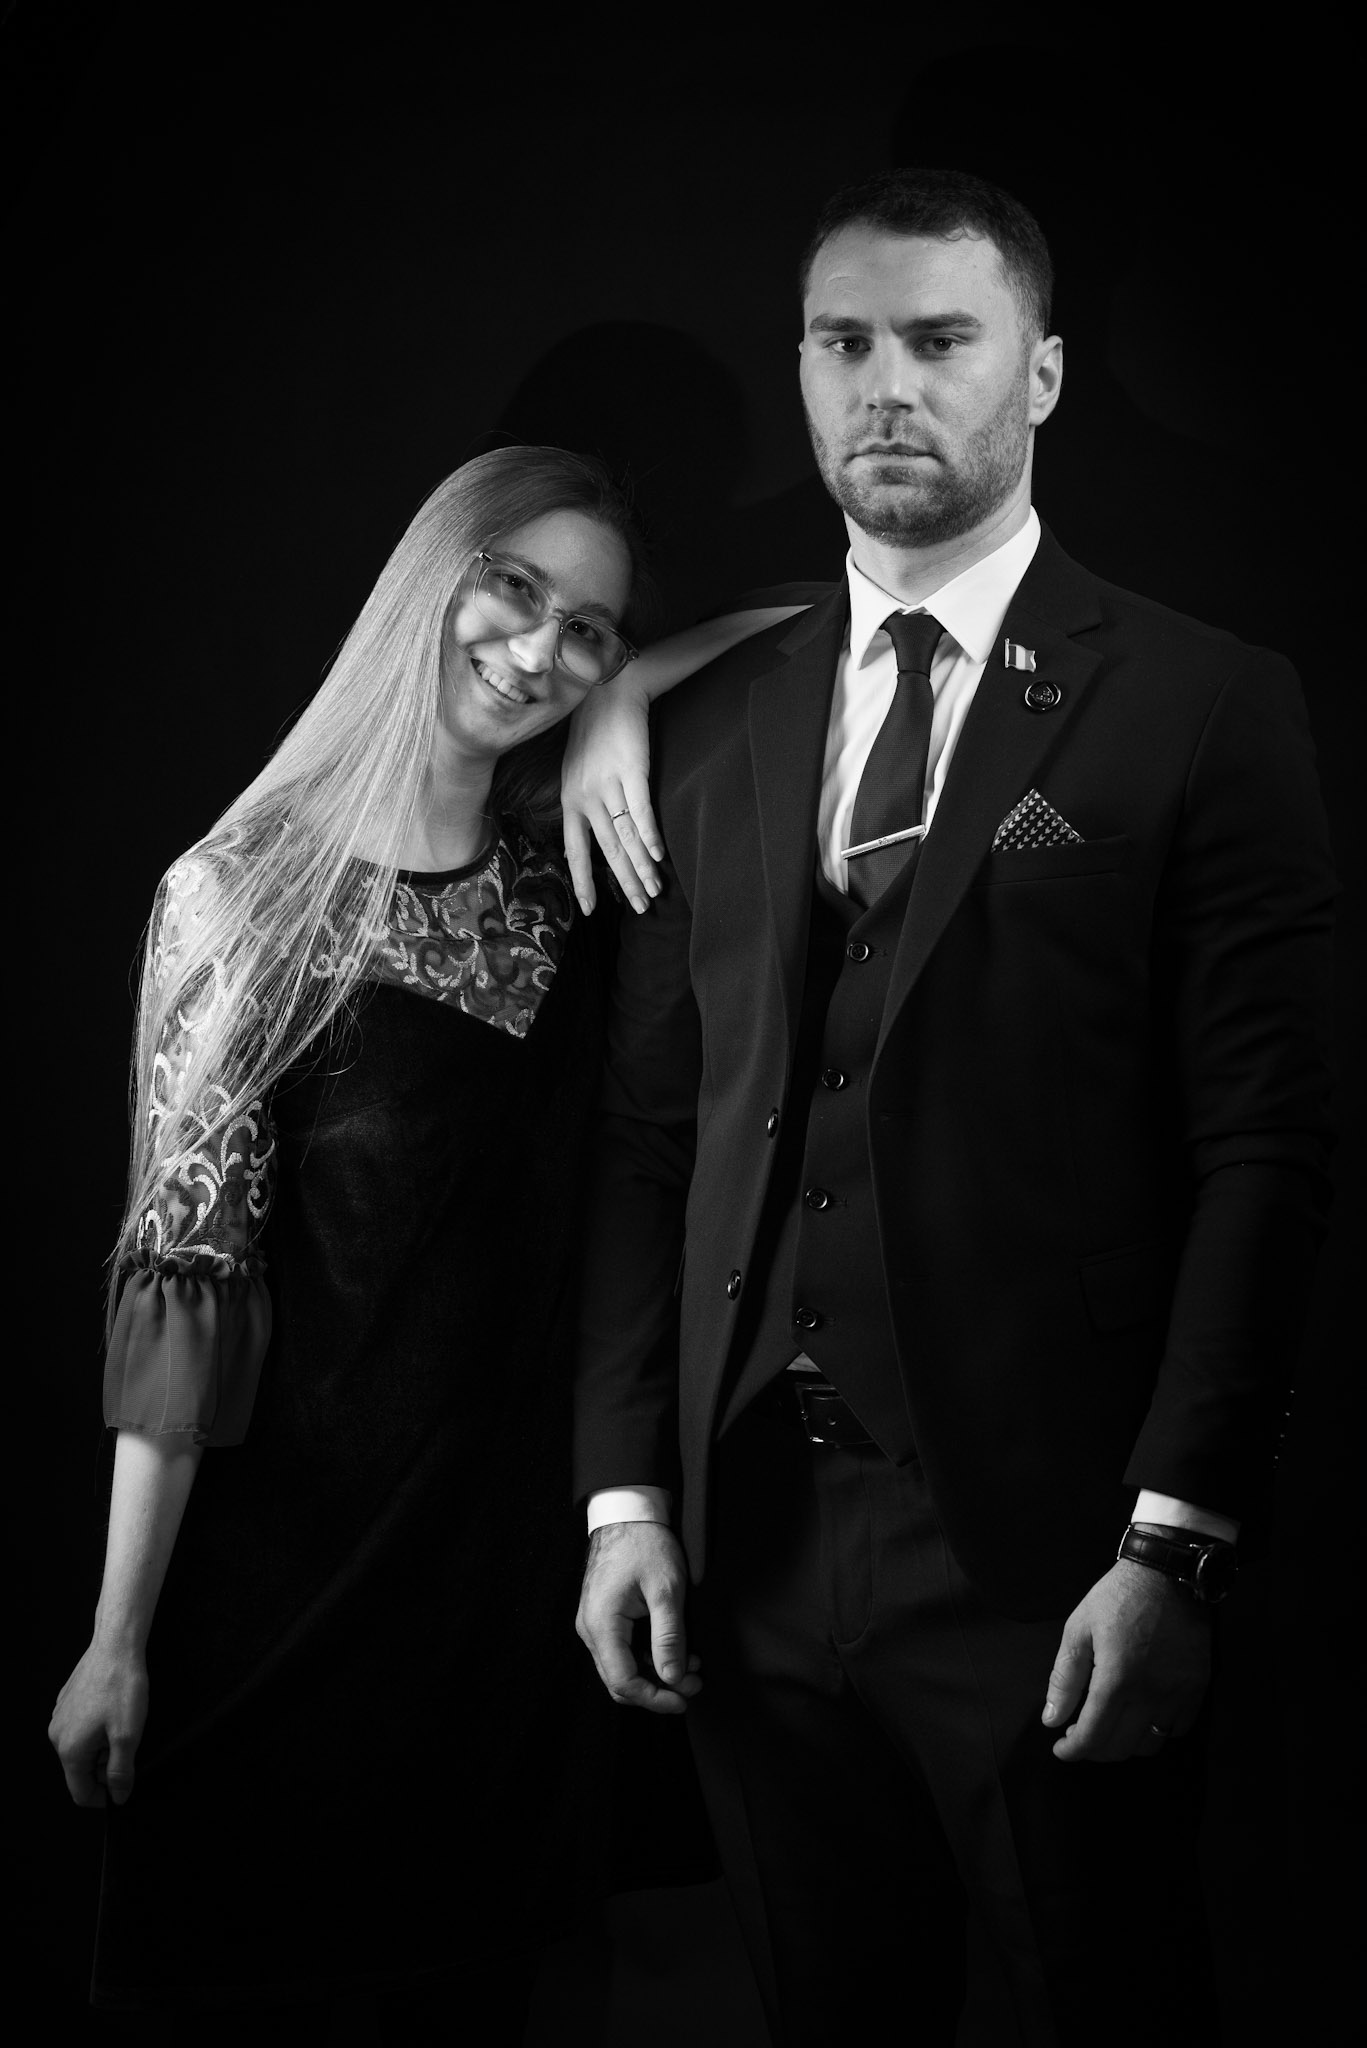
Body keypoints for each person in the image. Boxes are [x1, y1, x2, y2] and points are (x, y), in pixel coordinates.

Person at [568, 169, 1336, 2045]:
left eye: (940, 340)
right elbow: (653, 1138)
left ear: (1043, 374)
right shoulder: (704, 717)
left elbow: (1266, 1151)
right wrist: (621, 1501)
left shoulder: (1203, 701)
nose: (887, 386)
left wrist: (1175, 1543)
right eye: (845, 343)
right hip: (745, 1551)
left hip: (1049, 1554)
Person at [48, 445, 790, 2038]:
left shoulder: (567, 866)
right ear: (430, 577)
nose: (539, 649)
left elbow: (828, 612)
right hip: (294, 1590)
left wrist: (631, 692)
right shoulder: (244, 895)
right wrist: (116, 1640)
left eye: (589, 627)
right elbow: (188, 1294)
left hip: (513, 1603)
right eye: (514, 588)